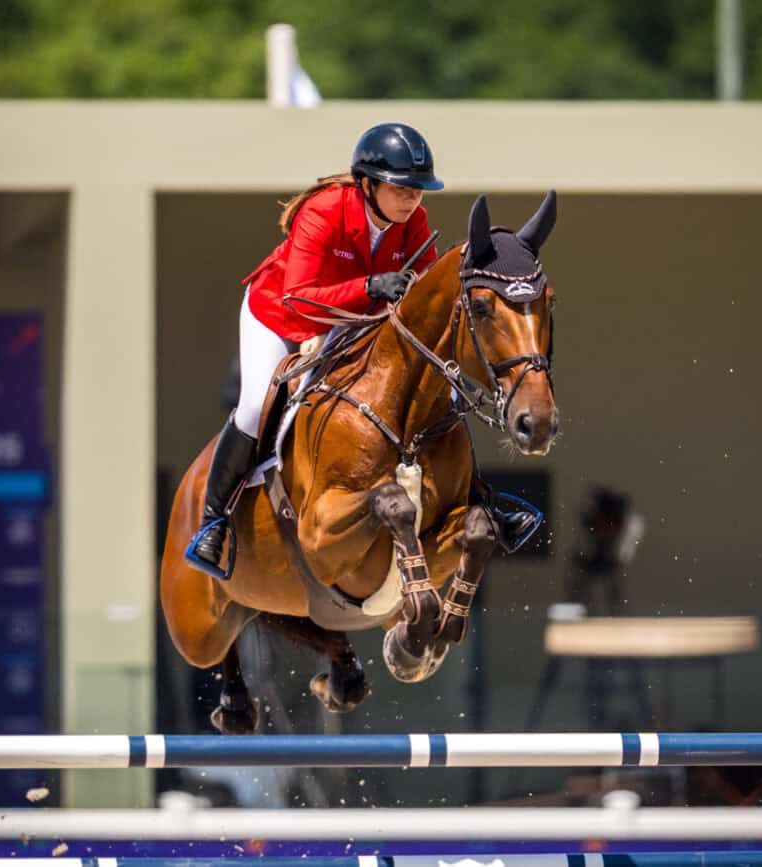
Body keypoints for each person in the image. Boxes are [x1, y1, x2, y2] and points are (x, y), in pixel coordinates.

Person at [187, 122, 539, 578]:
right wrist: (370, 285)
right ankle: (214, 521)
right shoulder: (324, 211)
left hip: (356, 321)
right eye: (402, 188)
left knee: (443, 393)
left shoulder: (414, 221)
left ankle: (481, 499)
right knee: (255, 406)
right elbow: (300, 294)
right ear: (368, 184)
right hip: (283, 315)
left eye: (418, 189)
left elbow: (424, 295)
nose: (412, 199)